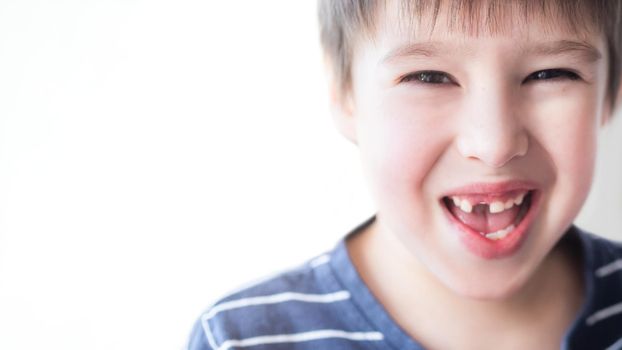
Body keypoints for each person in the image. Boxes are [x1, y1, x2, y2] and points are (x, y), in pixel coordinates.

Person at [186, 1, 622, 349]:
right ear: (344, 93)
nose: (494, 145)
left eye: (550, 73)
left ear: (610, 93)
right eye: (429, 77)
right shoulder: (242, 340)